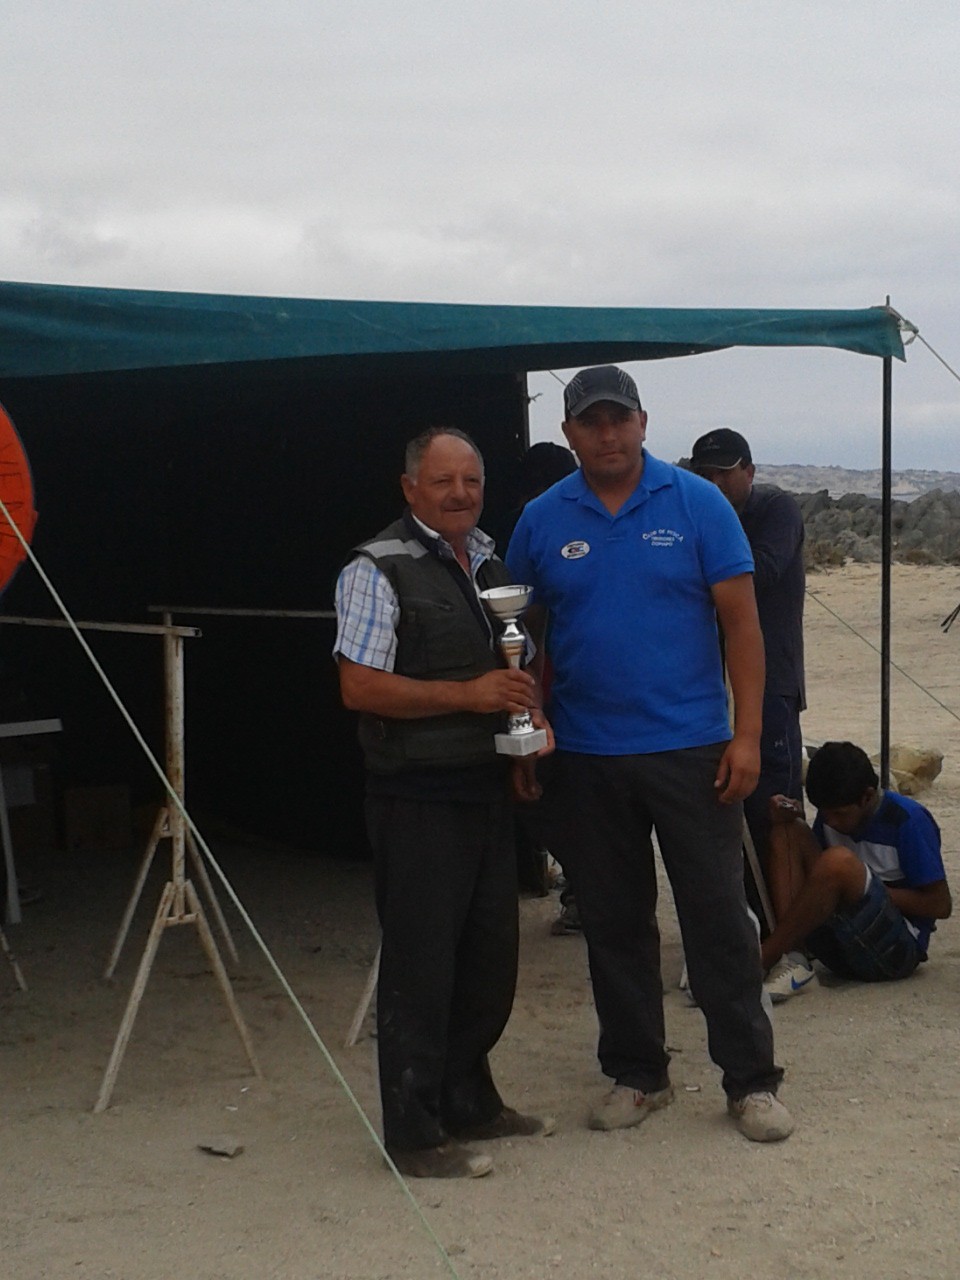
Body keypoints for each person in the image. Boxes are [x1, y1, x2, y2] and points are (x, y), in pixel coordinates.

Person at [506, 365, 793, 1143]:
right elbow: (522, 638)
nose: (607, 434)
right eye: (590, 422)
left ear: (642, 422)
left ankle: (751, 1082)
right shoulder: (541, 519)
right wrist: (527, 728)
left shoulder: (698, 503)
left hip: (691, 749)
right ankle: (638, 1075)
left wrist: (745, 735)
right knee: (614, 922)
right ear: (569, 432)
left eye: (618, 419)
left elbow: (744, 629)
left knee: (716, 919)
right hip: (586, 754)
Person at [334, 427, 554, 1180]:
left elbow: (515, 667)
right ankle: (414, 1134)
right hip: (416, 795)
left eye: (471, 481)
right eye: (442, 481)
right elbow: (359, 686)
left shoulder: (490, 561)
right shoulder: (376, 568)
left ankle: (470, 1102)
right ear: (409, 489)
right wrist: (471, 696)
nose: (460, 494)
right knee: (422, 967)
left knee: (488, 962)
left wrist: (528, 728)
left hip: (484, 786)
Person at [690, 428, 810, 1001]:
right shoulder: (699, 513)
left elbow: (759, 573)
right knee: (724, 816)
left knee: (774, 815)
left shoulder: (775, 509)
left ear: (749, 471)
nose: (715, 483)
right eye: (705, 475)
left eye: (725, 473)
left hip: (772, 687)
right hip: (712, 688)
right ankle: (746, 940)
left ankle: (793, 949)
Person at [761, 741, 952, 983]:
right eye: (824, 813)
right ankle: (793, 958)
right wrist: (792, 817)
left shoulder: (907, 820)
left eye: (839, 814)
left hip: (894, 949)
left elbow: (940, 905)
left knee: (839, 863)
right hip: (840, 939)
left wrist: (861, 887)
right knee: (788, 831)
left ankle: (762, 959)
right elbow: (818, 876)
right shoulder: (831, 816)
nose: (830, 822)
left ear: (867, 797)